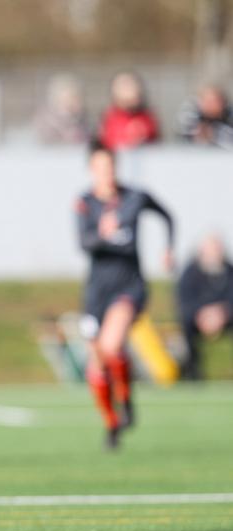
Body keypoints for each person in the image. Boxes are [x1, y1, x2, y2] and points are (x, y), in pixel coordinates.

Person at [76, 142, 174, 450]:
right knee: (97, 363)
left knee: (111, 344)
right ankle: (112, 422)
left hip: (129, 286)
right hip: (96, 292)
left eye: (110, 166)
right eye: (100, 167)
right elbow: (84, 243)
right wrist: (102, 234)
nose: (106, 173)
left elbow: (167, 215)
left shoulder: (134, 197)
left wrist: (168, 248)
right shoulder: (85, 203)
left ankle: (127, 400)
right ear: (92, 170)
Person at [177, 234, 233, 380]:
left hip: (225, 317)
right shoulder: (190, 272)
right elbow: (185, 301)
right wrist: (202, 315)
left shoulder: (229, 271)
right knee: (185, 322)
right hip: (198, 319)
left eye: (217, 250)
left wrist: (223, 313)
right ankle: (193, 372)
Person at [98, 72, 160, 151]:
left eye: (131, 86)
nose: (128, 90)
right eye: (124, 87)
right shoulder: (108, 118)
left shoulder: (148, 118)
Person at [35, 74, 89, 144]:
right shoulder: (47, 124)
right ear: (57, 100)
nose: (76, 102)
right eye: (70, 98)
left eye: (78, 98)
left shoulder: (83, 121)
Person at [177, 85, 233, 150]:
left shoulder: (230, 117)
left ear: (222, 103)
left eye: (213, 101)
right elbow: (184, 139)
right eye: (205, 101)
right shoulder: (193, 116)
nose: (209, 105)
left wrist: (214, 134)